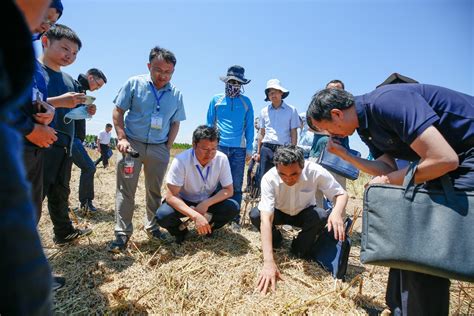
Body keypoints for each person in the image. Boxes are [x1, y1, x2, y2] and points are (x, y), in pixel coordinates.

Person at [306, 85, 474, 315]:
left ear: (336, 113)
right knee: (407, 236)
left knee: (425, 246)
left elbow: (444, 158)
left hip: (465, 157)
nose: (331, 135)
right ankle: (397, 308)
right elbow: (386, 168)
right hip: (450, 162)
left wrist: (388, 179)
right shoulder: (365, 127)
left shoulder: (388, 102)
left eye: (328, 129)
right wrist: (346, 156)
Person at [1, 0, 56, 313]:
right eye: (47, 14)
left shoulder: (32, 65)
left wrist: (43, 113)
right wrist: (27, 127)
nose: (44, 23)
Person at [108, 46, 186, 252]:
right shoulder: (134, 84)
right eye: (158, 70)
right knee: (126, 191)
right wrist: (122, 137)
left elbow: (176, 123)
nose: (163, 76)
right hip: (132, 145)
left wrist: (167, 146)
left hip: (159, 149)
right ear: (149, 66)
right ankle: (122, 233)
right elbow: (117, 111)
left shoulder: (176, 94)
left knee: (154, 191)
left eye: (168, 72)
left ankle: (152, 227)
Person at [251, 145, 348, 295]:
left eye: (294, 174)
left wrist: (336, 213)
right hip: (279, 212)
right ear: (276, 168)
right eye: (282, 174)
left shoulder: (315, 171)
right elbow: (265, 219)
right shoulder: (269, 178)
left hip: (304, 213)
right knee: (256, 215)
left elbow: (341, 194)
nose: (288, 178)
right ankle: (276, 241)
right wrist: (268, 262)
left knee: (321, 216)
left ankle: (299, 248)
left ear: (303, 166)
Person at [40, 24, 95, 245]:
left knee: (60, 192)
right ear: (45, 41)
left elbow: (71, 114)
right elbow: (25, 104)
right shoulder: (34, 73)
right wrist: (60, 101)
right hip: (40, 145)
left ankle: (63, 232)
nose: (69, 56)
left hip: (65, 144)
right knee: (34, 197)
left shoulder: (71, 81)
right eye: (65, 49)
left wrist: (86, 111)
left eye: (74, 53)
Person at [156, 125, 240, 243]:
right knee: (163, 215)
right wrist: (195, 216)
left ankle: (208, 228)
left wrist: (206, 203)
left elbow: (228, 190)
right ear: (194, 144)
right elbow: (171, 196)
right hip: (184, 200)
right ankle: (181, 232)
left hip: (208, 200)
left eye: (214, 149)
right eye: (205, 149)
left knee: (233, 207)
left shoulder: (222, 159)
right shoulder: (181, 160)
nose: (210, 154)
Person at [206, 65, 254, 228]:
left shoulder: (246, 102)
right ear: (226, 81)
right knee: (215, 183)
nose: (234, 85)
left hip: (239, 150)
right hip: (218, 147)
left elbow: (249, 127)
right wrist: (209, 146)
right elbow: (209, 123)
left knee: (236, 184)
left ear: (242, 85)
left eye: (237, 82)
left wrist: (249, 148)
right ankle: (214, 214)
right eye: (231, 81)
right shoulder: (216, 100)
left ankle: (234, 219)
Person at [73, 68, 107, 212]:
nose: (97, 89)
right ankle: (86, 202)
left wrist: (88, 110)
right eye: (98, 85)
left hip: (75, 138)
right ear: (91, 77)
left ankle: (83, 204)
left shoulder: (83, 91)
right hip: (71, 138)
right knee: (90, 167)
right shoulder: (74, 87)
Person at [256, 79, 300, 183]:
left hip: (284, 149)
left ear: (281, 93)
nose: (272, 95)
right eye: (270, 93)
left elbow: (293, 132)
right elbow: (261, 132)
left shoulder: (291, 110)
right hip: (266, 147)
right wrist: (258, 152)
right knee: (265, 178)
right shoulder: (263, 111)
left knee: (283, 178)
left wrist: (293, 150)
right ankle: (265, 198)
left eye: (275, 92)